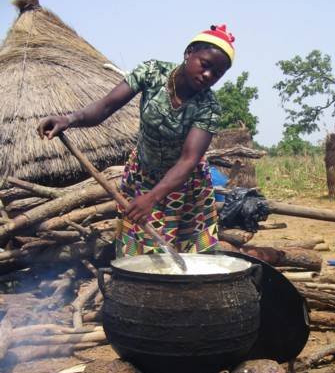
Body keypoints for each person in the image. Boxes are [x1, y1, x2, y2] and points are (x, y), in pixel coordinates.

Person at [38, 24, 235, 257]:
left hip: (184, 186)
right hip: (143, 177)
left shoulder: (209, 107)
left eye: (217, 74)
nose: (208, 76)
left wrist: (152, 198)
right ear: (189, 53)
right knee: (139, 254)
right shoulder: (152, 73)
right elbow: (105, 107)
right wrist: (69, 119)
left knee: (189, 256)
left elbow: (188, 160)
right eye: (205, 65)